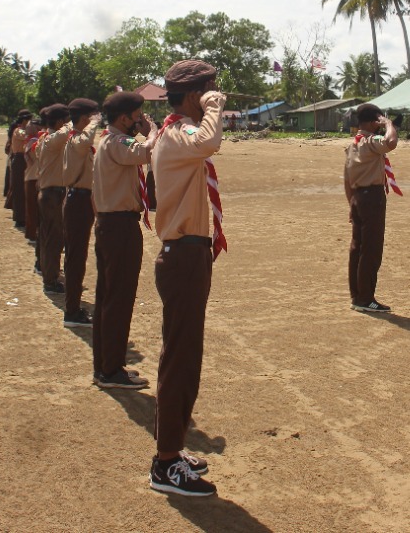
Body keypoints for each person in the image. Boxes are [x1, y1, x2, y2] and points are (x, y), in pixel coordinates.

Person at [147, 59, 226, 498]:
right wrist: (213, 108)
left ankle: (171, 450)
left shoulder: (177, 134)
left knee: (184, 355)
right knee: (179, 358)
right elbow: (210, 139)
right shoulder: (179, 135)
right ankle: (165, 464)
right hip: (183, 258)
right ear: (194, 95)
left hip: (190, 255)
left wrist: (207, 107)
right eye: (210, 89)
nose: (216, 94)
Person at [92, 91, 155, 389]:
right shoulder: (118, 142)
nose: (140, 121)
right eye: (137, 116)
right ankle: (111, 370)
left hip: (109, 224)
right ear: (123, 118)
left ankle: (105, 364)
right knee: (118, 298)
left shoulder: (107, 141)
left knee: (107, 297)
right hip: (119, 227)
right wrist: (152, 131)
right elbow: (148, 152)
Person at [343, 103, 398, 313]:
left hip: (357, 197)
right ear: (373, 121)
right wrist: (389, 124)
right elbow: (391, 142)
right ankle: (366, 298)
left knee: (357, 248)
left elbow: (347, 180)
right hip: (372, 197)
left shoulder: (353, 145)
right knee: (371, 249)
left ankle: (357, 295)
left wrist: (351, 204)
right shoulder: (371, 142)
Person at [62, 98, 102, 327]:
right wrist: (94, 123)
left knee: (77, 256)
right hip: (78, 201)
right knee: (76, 257)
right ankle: (72, 310)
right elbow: (86, 140)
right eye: (92, 116)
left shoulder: (75, 139)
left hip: (82, 200)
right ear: (85, 118)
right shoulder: (77, 139)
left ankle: (73, 306)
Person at [37, 104, 71, 296]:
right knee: (53, 239)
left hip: (49, 192)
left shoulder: (44, 138)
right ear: (59, 122)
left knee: (48, 236)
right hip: (53, 193)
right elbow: (68, 130)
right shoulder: (53, 139)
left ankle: (48, 273)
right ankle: (50, 280)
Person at [23, 117, 44, 258]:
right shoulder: (35, 141)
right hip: (34, 178)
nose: (27, 127)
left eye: (31, 125)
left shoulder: (37, 140)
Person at [7, 110, 32, 227]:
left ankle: (23, 216)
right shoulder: (18, 131)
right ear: (24, 121)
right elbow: (25, 136)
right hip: (19, 160)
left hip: (23, 160)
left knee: (24, 190)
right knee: (19, 190)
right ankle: (19, 217)